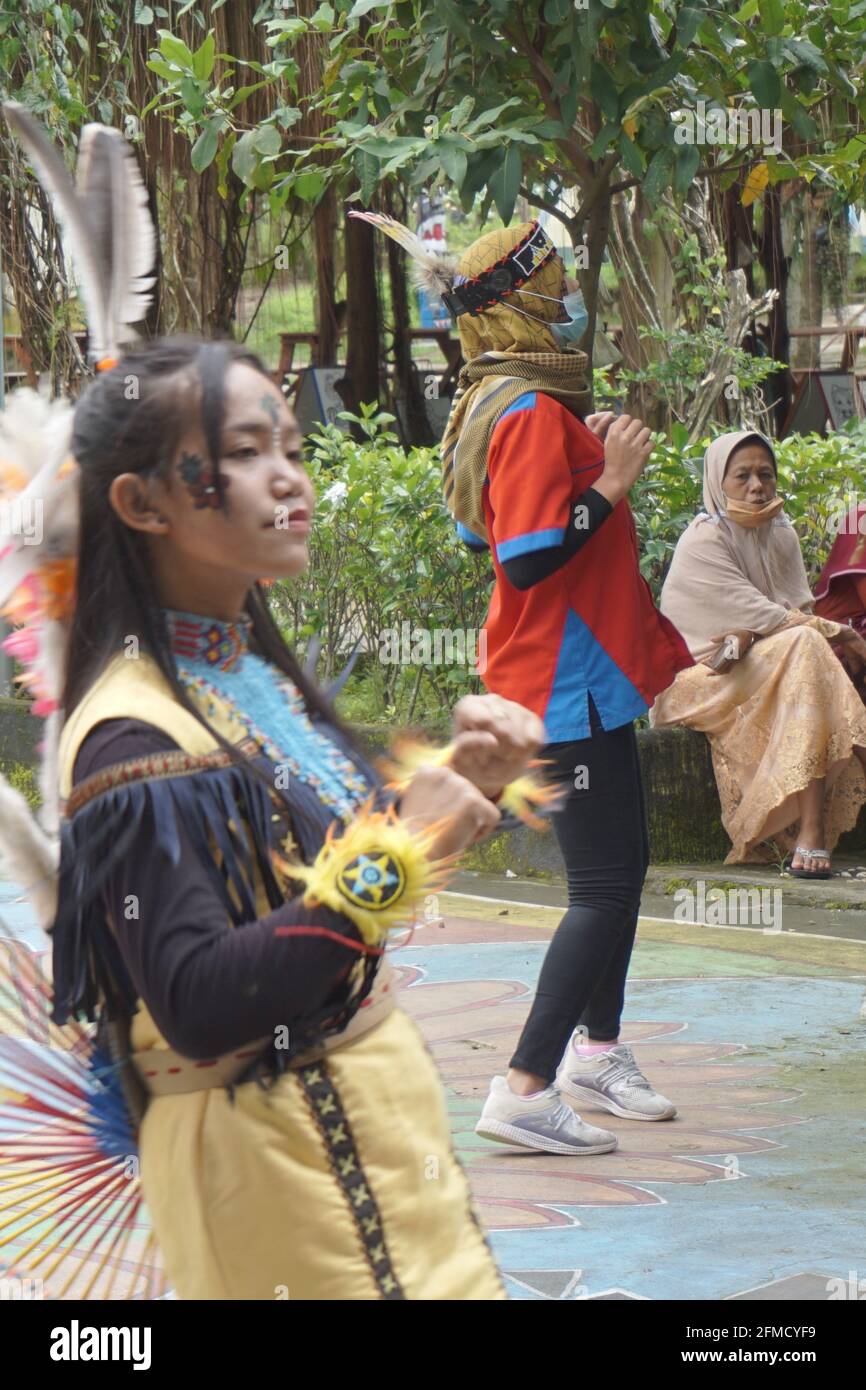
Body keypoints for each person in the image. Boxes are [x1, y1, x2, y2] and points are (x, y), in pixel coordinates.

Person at [1, 336, 557, 1300]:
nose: (287, 479)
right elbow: (199, 1003)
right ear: (141, 503)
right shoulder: (131, 737)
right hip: (280, 1175)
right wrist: (402, 848)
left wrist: (468, 781)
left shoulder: (243, 672)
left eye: (291, 448)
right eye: (247, 452)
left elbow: (310, 866)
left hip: (374, 1136)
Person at [358, 213, 695, 1153]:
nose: (569, 293)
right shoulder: (532, 411)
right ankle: (525, 1084)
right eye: (556, 281)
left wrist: (579, 470)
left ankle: (599, 1051)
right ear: (524, 304)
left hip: (566, 671)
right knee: (601, 889)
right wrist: (611, 481)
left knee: (621, 876)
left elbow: (478, 530)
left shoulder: (496, 399)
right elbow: (529, 555)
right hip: (563, 678)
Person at [653, 431, 866, 876]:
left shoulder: (781, 531)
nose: (757, 486)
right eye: (742, 476)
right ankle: (811, 830)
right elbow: (774, 618)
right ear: (718, 482)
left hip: (768, 666)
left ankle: (810, 830)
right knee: (808, 645)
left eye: (765, 475)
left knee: (809, 651)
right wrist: (844, 635)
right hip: (698, 681)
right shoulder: (704, 539)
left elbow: (795, 612)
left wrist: (830, 640)